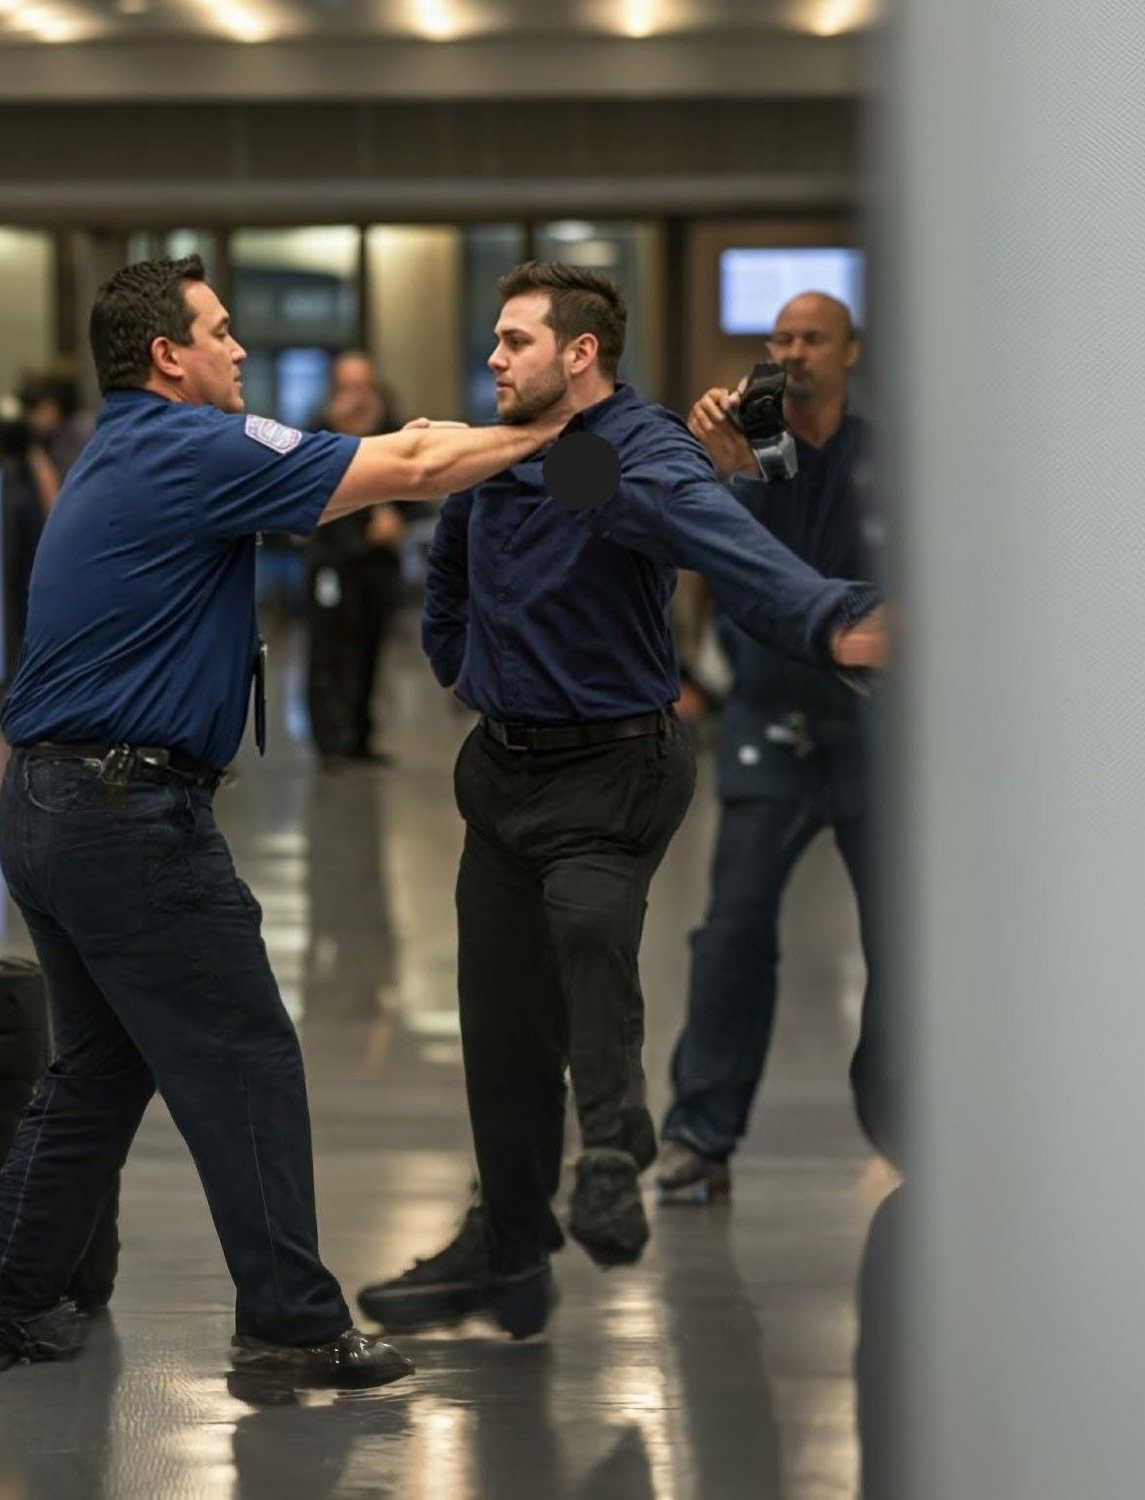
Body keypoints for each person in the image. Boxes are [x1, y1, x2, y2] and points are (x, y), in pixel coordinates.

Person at [0, 255, 568, 1388]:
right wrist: (559, 430)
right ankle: (290, 1324)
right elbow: (411, 464)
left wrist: (464, 442)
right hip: (125, 814)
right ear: (167, 355)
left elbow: (400, 451)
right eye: (220, 331)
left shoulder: (124, 447)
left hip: (52, 805)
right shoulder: (189, 446)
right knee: (246, 1055)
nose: (241, 348)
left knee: (100, 1066)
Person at [357, 263, 885, 1340]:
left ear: (580, 353)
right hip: (503, 772)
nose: (493, 358)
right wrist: (460, 664)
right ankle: (509, 1253)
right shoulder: (498, 452)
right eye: (495, 342)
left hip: (614, 767)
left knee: (589, 934)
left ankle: (612, 1149)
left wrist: (833, 618)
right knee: (501, 1029)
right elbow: (449, 573)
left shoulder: (628, 452)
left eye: (514, 341)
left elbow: (718, 541)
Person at [655, 290, 892, 1202]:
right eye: (781, 338)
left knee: (902, 941)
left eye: (813, 338)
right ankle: (699, 1137)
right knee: (733, 933)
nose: (794, 352)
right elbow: (698, 552)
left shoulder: (887, 461)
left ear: (850, 351)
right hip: (770, 724)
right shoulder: (747, 457)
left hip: (874, 733)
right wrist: (716, 463)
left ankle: (904, 1126)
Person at [305, 350, 414, 767]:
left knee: (371, 650)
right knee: (329, 651)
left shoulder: (391, 429)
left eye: (363, 386)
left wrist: (396, 517)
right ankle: (329, 739)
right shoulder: (317, 432)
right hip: (332, 562)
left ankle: (360, 737)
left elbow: (415, 486)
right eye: (348, 387)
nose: (357, 397)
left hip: (377, 564)